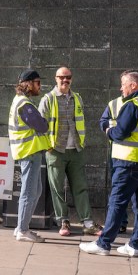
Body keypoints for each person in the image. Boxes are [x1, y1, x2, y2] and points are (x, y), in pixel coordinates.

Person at [81, 71, 138, 257]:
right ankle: (135, 245)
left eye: (123, 84)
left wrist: (109, 130)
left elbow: (120, 133)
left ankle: (103, 243)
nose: (121, 88)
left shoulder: (133, 105)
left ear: (133, 85)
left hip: (129, 161)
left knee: (117, 201)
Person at [38, 67, 101, 236]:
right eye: (62, 77)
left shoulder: (77, 98)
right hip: (55, 150)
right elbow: (39, 125)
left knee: (80, 187)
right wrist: (47, 147)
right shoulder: (48, 99)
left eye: (68, 78)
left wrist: (82, 143)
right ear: (55, 78)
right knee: (57, 188)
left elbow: (80, 122)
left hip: (76, 150)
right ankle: (63, 222)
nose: (65, 80)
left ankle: (87, 223)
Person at [8, 69, 51, 243]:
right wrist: (44, 120)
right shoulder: (25, 104)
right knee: (28, 192)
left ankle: (20, 227)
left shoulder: (20, 102)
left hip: (29, 151)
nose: (40, 86)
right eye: (37, 82)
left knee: (36, 191)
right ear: (28, 84)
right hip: (29, 152)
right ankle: (23, 230)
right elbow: (41, 126)